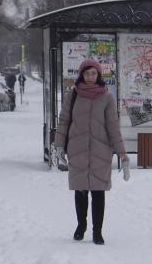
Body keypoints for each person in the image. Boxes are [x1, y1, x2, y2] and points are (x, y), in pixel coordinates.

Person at [54, 59, 127, 245]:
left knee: (98, 192)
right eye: (86, 74)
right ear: (81, 75)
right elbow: (63, 121)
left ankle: (97, 231)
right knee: (80, 191)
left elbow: (113, 127)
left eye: (93, 73)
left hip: (100, 150)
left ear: (99, 74)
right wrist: (59, 146)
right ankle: (81, 226)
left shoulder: (106, 97)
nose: (90, 77)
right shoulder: (73, 96)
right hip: (77, 149)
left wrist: (122, 153)